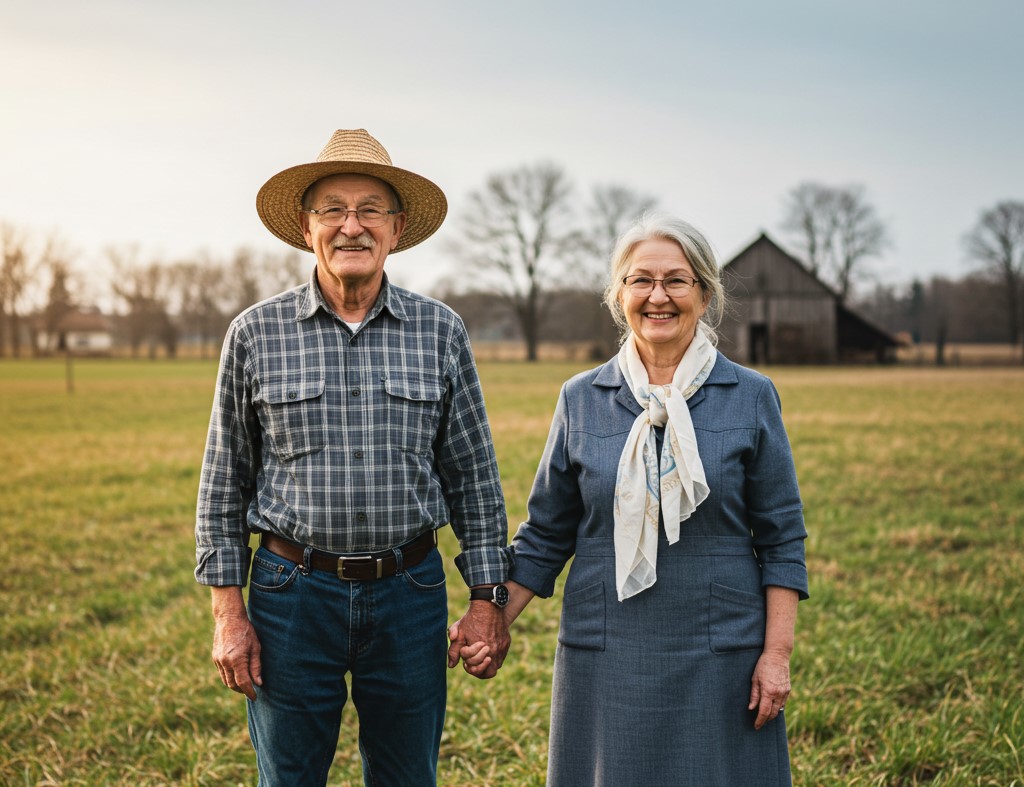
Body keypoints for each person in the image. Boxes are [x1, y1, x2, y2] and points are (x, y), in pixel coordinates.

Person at [195, 128, 512, 787]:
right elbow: (224, 482)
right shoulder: (255, 333)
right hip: (290, 594)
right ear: (306, 227)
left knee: (407, 776)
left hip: (410, 591)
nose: (351, 226)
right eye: (333, 210)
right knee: (289, 776)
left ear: (396, 229)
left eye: (370, 210)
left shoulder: (441, 331)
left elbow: (474, 477)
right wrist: (228, 613)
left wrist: (487, 599)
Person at [454, 213, 808, 785]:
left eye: (676, 280)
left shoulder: (750, 395)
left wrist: (777, 655)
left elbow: (781, 539)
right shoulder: (581, 398)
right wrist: (491, 618)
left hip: (721, 654)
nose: (657, 296)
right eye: (641, 280)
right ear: (619, 296)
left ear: (705, 294)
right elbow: (546, 535)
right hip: (606, 651)